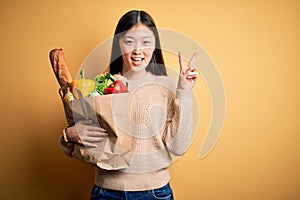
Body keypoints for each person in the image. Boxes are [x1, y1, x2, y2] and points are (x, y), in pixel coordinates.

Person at [59, 10, 198, 200]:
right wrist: (69, 135)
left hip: (154, 193)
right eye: (129, 41)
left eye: (146, 42)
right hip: (105, 193)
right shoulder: (101, 85)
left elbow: (178, 147)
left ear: (154, 45)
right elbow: (85, 146)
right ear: (119, 44)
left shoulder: (167, 86)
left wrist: (184, 92)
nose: (137, 50)